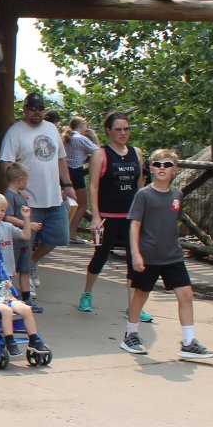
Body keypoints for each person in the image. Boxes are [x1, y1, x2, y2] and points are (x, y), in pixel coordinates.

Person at [121, 149, 213, 359]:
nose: (161, 168)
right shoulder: (144, 194)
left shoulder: (177, 195)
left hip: (172, 255)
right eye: (157, 164)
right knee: (140, 294)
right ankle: (130, 334)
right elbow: (135, 225)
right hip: (149, 255)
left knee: (186, 295)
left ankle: (188, 341)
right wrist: (136, 254)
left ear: (175, 169)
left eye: (166, 165)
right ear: (151, 168)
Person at [0, 93, 76, 304]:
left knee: (59, 237)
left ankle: (32, 264)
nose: (37, 112)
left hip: (53, 196)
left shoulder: (51, 128)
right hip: (28, 199)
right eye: (32, 108)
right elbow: (6, 162)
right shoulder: (15, 132)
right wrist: (14, 187)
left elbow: (60, 158)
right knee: (24, 243)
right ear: (25, 109)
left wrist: (67, 184)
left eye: (40, 108)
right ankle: (24, 281)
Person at [81, 111, 152, 324]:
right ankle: (87, 293)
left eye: (126, 129)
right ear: (109, 131)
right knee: (100, 256)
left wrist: (144, 211)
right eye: (118, 129)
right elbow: (93, 186)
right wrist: (95, 216)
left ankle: (133, 306)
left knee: (134, 260)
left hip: (131, 216)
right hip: (108, 216)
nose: (123, 133)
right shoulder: (100, 155)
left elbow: (138, 184)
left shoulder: (136, 153)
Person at [2, 164, 38, 303]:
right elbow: (8, 217)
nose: (27, 183)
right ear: (20, 179)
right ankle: (5, 295)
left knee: (25, 269)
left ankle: (27, 297)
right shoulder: (9, 197)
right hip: (14, 240)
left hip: (24, 240)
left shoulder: (19, 195)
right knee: (10, 269)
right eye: (26, 180)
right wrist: (29, 224)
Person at [65, 115, 99, 243]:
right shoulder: (81, 139)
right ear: (80, 126)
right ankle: (71, 232)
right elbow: (99, 152)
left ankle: (67, 231)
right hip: (76, 172)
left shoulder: (67, 138)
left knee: (69, 204)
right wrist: (94, 136)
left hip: (65, 173)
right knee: (83, 204)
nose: (87, 128)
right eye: (86, 125)